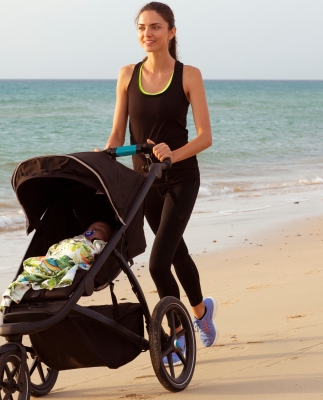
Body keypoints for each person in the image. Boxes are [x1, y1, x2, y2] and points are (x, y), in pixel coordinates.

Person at [101, 2, 218, 354]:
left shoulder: (189, 75)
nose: (147, 34)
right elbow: (117, 135)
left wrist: (173, 154)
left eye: (154, 27)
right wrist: (103, 154)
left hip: (181, 176)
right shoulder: (126, 74)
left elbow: (204, 136)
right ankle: (201, 312)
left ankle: (179, 328)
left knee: (158, 261)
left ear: (171, 31)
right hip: (145, 182)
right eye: (141, 28)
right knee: (176, 251)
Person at [0, 221, 112, 310]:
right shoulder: (76, 238)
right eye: (91, 228)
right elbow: (59, 247)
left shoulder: (99, 244)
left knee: (54, 265)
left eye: (100, 229)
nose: (94, 229)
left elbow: (100, 252)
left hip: (73, 258)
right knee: (36, 264)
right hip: (59, 255)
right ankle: (17, 289)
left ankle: (39, 274)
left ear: (105, 238)